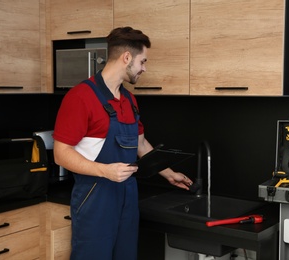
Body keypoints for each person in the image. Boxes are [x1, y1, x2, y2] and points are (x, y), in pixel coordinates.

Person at [53, 26, 193, 260]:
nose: (144, 68)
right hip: (95, 199)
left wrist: (168, 173)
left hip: (127, 197)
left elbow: (139, 143)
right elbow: (61, 153)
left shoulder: (129, 99)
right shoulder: (80, 97)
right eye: (143, 61)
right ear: (126, 57)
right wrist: (105, 171)